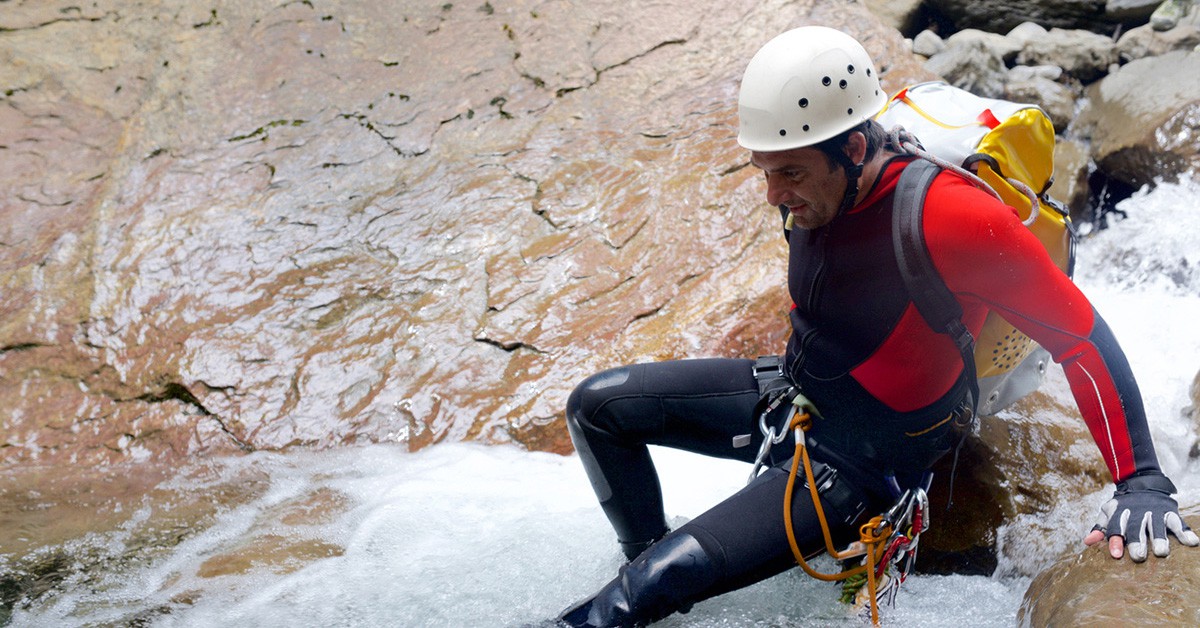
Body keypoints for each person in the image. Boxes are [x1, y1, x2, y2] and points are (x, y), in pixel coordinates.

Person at [555, 26, 1198, 627]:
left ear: (855, 148)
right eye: (766, 170)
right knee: (596, 408)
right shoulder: (819, 188)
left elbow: (1079, 335)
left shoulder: (951, 217)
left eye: (791, 173)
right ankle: (641, 554)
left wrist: (1140, 478)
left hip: (862, 468)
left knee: (640, 594)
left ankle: (646, 582)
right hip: (798, 396)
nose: (773, 194)